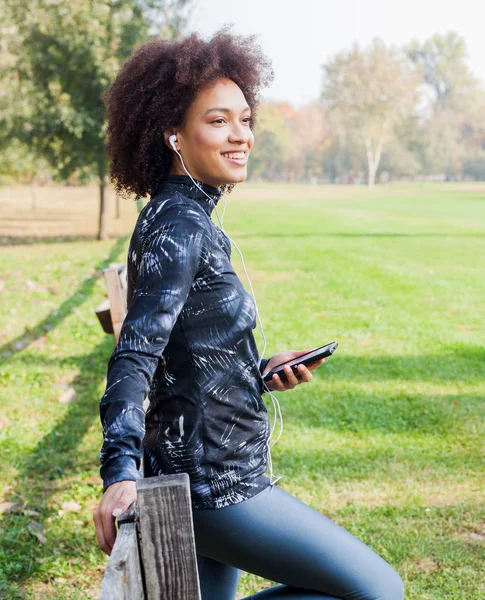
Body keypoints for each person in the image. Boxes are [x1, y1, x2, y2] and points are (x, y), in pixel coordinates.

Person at [93, 28, 404, 600]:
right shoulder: (179, 227)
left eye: (244, 118)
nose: (241, 136)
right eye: (218, 121)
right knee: (379, 590)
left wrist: (259, 370)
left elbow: (183, 353)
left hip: (205, 471)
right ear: (172, 136)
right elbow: (135, 355)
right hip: (216, 488)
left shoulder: (183, 218)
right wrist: (118, 473)